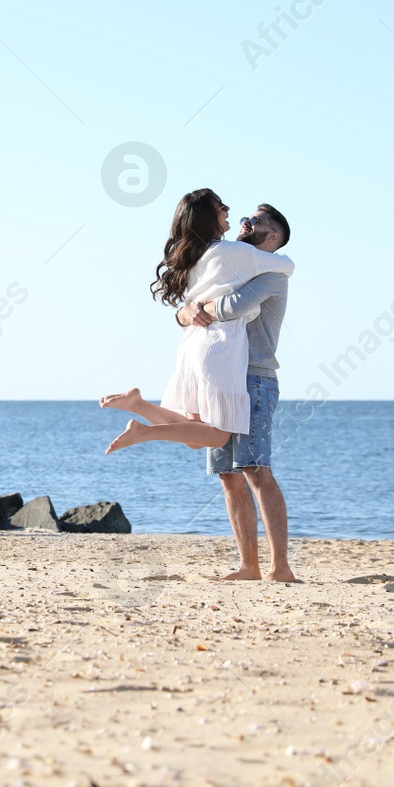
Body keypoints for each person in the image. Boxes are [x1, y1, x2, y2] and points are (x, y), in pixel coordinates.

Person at [100, 188, 293, 455]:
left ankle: (139, 405)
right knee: (218, 435)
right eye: (222, 207)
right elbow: (286, 265)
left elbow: (188, 308)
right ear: (207, 216)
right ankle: (144, 431)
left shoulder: (196, 255)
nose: (230, 213)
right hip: (220, 345)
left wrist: (187, 311)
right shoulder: (233, 251)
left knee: (194, 436)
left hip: (192, 343)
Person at [178, 205, 294, 581]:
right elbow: (190, 303)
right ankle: (248, 566)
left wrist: (195, 309)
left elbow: (234, 307)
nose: (247, 222)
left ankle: (281, 568)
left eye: (258, 221)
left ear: (273, 237)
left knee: (255, 468)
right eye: (247, 218)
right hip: (219, 378)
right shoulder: (234, 267)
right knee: (227, 475)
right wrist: (184, 311)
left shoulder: (274, 273)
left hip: (253, 379)